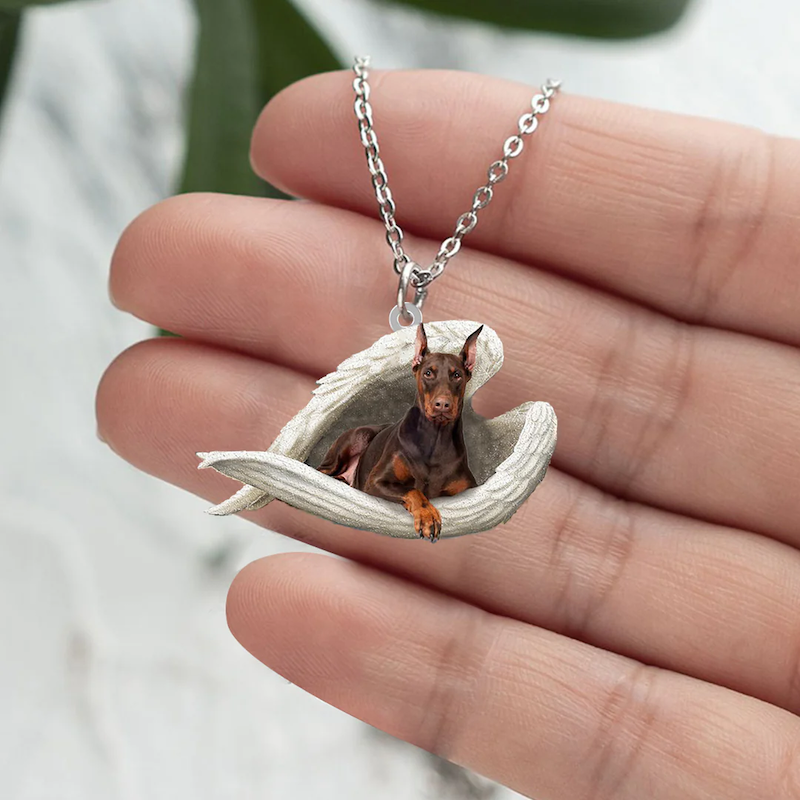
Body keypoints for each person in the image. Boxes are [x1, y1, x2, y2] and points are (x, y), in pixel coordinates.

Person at [96, 70, 800, 799]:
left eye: (450, 384)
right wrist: (407, 499)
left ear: (462, 379)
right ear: (418, 373)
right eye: (429, 382)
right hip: (376, 470)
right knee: (359, 444)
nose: (438, 397)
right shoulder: (399, 421)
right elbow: (393, 478)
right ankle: (301, 471)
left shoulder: (465, 440)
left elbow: (463, 484)